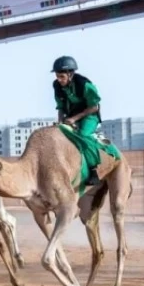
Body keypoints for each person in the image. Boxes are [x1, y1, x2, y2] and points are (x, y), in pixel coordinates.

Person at [51, 55, 109, 187]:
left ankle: (94, 171)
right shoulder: (56, 85)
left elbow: (94, 107)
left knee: (82, 135)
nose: (59, 80)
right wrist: (60, 122)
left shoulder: (85, 85)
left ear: (70, 74)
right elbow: (60, 107)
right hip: (71, 116)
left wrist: (74, 119)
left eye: (62, 77)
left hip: (89, 115)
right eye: (57, 76)